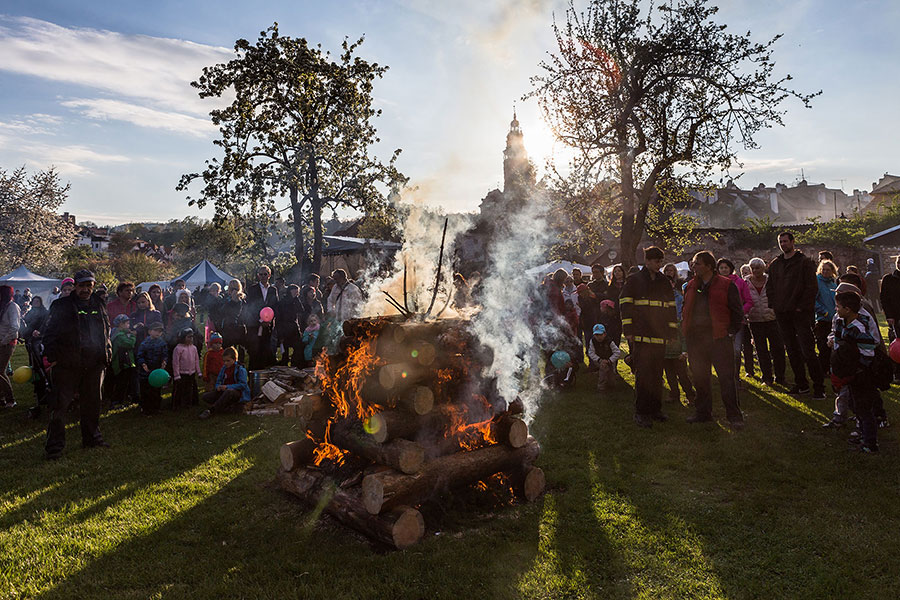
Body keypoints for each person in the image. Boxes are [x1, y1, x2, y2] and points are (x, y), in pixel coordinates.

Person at [43, 270, 111, 459]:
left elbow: (107, 329)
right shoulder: (61, 305)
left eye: (89, 285)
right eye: (82, 285)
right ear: (75, 286)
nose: (86, 289)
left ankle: (92, 439)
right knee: (60, 406)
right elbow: (49, 334)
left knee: (92, 404)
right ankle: (54, 448)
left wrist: (107, 353)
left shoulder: (99, 303)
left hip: (95, 363)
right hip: (67, 363)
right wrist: (53, 357)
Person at [682, 251, 744, 428]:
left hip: (719, 339)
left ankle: (734, 416)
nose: (694, 266)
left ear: (709, 266)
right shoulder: (690, 285)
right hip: (696, 340)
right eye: (693, 263)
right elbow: (686, 309)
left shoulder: (726, 285)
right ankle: (703, 413)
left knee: (726, 379)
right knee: (700, 378)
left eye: (698, 263)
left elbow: (737, 311)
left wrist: (730, 332)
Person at [619, 247, 677, 428]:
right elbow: (625, 304)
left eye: (661, 261)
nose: (660, 265)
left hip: (659, 336)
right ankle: (641, 412)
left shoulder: (664, 281)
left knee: (657, 375)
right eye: (657, 261)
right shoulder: (634, 280)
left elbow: (670, 307)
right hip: (641, 335)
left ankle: (655, 409)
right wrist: (628, 329)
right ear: (648, 261)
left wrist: (672, 331)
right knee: (643, 375)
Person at [766, 231, 825, 399]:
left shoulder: (804, 263)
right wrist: (774, 305)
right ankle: (802, 384)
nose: (783, 244)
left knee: (808, 351)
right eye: (780, 242)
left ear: (792, 242)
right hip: (782, 312)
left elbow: (811, 287)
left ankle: (818, 386)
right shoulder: (776, 264)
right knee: (792, 350)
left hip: (800, 313)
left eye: (785, 241)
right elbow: (770, 287)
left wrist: (801, 307)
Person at [830, 291, 879, 452]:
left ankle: (870, 442)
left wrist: (858, 370)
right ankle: (863, 435)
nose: (836, 309)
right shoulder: (842, 322)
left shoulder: (859, 327)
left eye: (838, 306)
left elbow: (868, 352)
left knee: (864, 408)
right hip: (850, 372)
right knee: (854, 404)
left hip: (861, 374)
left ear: (848, 309)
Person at [746, 258, 786, 386]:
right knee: (761, 350)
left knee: (778, 349)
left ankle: (780, 377)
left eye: (758, 267)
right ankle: (767, 377)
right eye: (753, 268)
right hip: (755, 320)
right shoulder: (746, 283)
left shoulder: (771, 280)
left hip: (772, 319)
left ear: (763, 268)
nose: (756, 270)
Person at [717, 258, 754, 381]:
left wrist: (739, 312)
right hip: (720, 321)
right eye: (721, 268)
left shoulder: (740, 282)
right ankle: (726, 377)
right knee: (723, 351)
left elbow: (749, 300)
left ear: (731, 269)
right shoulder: (715, 283)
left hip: (737, 321)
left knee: (736, 350)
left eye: (726, 267)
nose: (723, 270)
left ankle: (735, 376)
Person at [663, 263, 695, 405]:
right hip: (665, 347)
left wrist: (684, 350)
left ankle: (690, 394)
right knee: (669, 374)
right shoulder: (658, 298)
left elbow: (683, 335)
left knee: (682, 373)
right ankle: (674, 394)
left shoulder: (679, 297)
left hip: (677, 345)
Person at [198, 346, 251, 419]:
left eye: (228, 361)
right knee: (206, 396)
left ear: (234, 359)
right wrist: (218, 387)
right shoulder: (224, 368)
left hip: (237, 393)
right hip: (224, 391)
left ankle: (211, 410)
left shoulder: (240, 369)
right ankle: (226, 407)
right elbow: (219, 380)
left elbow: (243, 385)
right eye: (224, 361)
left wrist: (227, 387)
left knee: (229, 392)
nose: (225, 363)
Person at [246, 265, 278, 369]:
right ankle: (253, 377)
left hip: (268, 326)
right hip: (255, 326)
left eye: (265, 274)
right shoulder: (252, 289)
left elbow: (275, 306)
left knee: (267, 351)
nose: (263, 276)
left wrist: (269, 320)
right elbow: (250, 307)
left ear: (269, 275)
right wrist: (260, 320)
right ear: (258, 276)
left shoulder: (273, 290)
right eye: (261, 274)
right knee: (255, 352)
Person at [136, 322, 167, 415]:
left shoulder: (162, 343)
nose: (158, 333)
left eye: (160, 331)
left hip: (157, 370)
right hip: (146, 372)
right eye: (155, 331)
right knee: (146, 390)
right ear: (150, 331)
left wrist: (164, 361)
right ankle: (145, 408)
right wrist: (143, 364)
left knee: (156, 390)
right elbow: (139, 355)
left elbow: (165, 354)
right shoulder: (144, 343)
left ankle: (156, 408)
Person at [814, 259, 838, 377]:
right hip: (823, 319)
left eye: (828, 270)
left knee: (831, 346)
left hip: (834, 319)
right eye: (823, 269)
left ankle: (830, 368)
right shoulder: (817, 282)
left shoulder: (833, 283)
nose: (825, 272)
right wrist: (824, 312)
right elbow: (813, 300)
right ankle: (822, 370)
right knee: (823, 346)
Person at [109, 314, 138, 409]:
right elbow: (129, 344)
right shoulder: (119, 336)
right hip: (121, 364)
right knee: (120, 384)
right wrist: (133, 336)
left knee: (125, 383)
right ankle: (116, 402)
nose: (129, 325)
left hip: (127, 363)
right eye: (127, 323)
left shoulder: (123, 334)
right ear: (120, 324)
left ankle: (122, 400)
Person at [0, 285, 22, 408]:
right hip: (2, 341)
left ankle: (10, 399)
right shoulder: (3, 307)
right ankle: (1, 398)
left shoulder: (13, 307)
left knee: (0, 371)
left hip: (7, 343)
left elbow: (14, 327)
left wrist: (3, 341)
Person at [879, 256, 900, 382]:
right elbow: (884, 298)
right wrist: (889, 316)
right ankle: (896, 372)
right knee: (896, 345)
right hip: (894, 316)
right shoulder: (888, 279)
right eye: (899, 262)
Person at [218, 279, 248, 363]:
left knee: (239, 352)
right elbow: (222, 312)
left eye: (234, 288)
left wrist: (234, 301)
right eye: (231, 288)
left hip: (237, 328)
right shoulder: (226, 300)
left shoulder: (241, 301)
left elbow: (239, 314)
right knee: (228, 350)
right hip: (228, 328)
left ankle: (238, 368)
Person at [587, 323, 621, 391]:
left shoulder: (609, 341)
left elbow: (617, 352)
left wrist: (609, 360)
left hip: (610, 361)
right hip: (599, 361)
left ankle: (610, 382)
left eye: (600, 335)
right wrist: (599, 360)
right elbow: (591, 352)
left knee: (611, 381)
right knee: (603, 369)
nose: (598, 337)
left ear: (605, 334)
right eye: (596, 335)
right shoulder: (593, 341)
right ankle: (601, 387)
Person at [172, 328, 201, 409]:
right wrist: (176, 375)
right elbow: (175, 363)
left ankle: (190, 403)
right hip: (182, 373)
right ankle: (177, 405)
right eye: (188, 337)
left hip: (191, 372)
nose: (191, 339)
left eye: (192, 337)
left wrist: (198, 372)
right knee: (180, 390)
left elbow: (196, 361)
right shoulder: (178, 348)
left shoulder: (194, 348)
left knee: (191, 389)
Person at [275, 284, 303, 366]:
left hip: (293, 325)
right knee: (285, 346)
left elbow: (301, 310)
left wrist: (296, 299)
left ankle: (295, 361)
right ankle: (284, 361)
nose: (296, 292)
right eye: (294, 290)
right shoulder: (283, 301)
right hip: (284, 325)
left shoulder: (296, 300)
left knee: (297, 345)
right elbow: (279, 315)